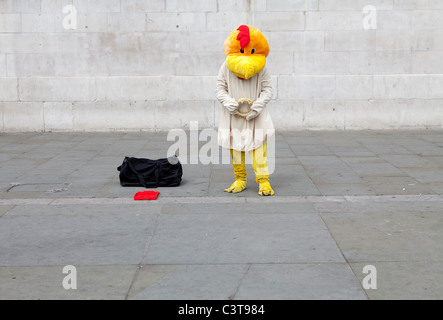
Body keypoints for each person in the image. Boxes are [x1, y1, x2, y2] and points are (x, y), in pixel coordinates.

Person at [215, 25, 275, 196]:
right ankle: (240, 179)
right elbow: (219, 88)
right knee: (235, 148)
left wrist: (258, 105)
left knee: (258, 151)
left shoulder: (261, 67)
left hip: (255, 116)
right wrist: (228, 102)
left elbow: (268, 89)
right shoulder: (226, 67)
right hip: (234, 116)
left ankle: (263, 182)